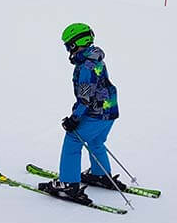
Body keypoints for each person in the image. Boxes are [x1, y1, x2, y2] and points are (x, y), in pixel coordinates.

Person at [38, 23, 122, 203]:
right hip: (110, 110)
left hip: (96, 112)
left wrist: (74, 119)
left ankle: (68, 184)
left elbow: (85, 98)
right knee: (95, 141)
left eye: (68, 45)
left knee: (73, 139)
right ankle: (101, 175)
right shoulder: (96, 58)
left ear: (76, 44)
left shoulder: (86, 67)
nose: (67, 49)